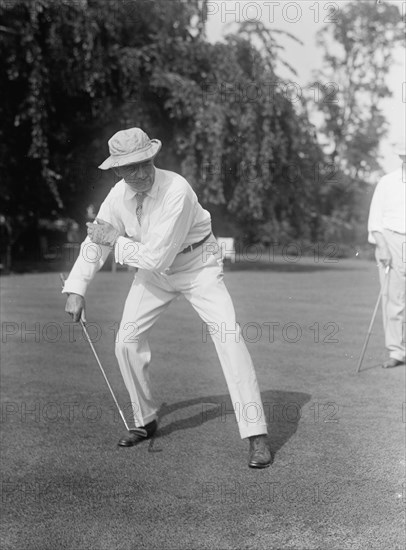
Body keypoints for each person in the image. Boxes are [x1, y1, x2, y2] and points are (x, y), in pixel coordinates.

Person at [63, 127, 271, 468]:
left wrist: (115, 238)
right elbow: (96, 241)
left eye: (146, 162)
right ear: (117, 170)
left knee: (229, 338)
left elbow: (152, 254)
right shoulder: (117, 196)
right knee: (125, 344)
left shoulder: (178, 189)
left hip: (197, 265)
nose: (142, 173)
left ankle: (256, 435)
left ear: (153, 157)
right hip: (154, 274)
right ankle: (145, 421)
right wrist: (75, 288)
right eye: (131, 168)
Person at [367, 144, 406, 369]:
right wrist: (382, 247)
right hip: (391, 240)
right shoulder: (387, 182)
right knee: (394, 301)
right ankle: (397, 351)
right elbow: (375, 221)